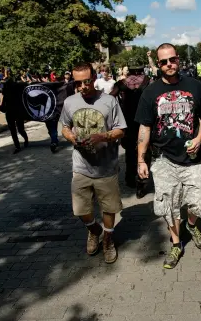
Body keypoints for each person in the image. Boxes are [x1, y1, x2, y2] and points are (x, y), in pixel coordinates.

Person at [135, 43, 201, 269]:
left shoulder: (195, 86)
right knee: (168, 204)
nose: (168, 64)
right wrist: (141, 159)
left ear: (178, 60)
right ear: (158, 65)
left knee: (200, 202)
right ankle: (176, 242)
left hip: (192, 158)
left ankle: (191, 224)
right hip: (163, 158)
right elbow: (145, 128)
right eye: (163, 62)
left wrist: (199, 139)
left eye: (172, 60)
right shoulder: (150, 92)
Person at [60, 62, 127, 264]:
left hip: (106, 167)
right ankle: (94, 230)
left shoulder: (109, 101)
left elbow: (121, 130)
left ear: (94, 78)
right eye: (78, 82)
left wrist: (103, 136)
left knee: (109, 207)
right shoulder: (69, 102)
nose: (82, 87)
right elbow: (64, 126)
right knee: (81, 210)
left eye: (86, 81)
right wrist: (71, 137)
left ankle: (108, 240)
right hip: (81, 166)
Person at [112, 63, 151, 198]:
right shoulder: (148, 81)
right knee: (145, 152)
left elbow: (110, 97)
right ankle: (142, 183)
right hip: (145, 122)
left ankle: (130, 178)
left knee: (130, 151)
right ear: (141, 70)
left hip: (127, 122)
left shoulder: (121, 83)